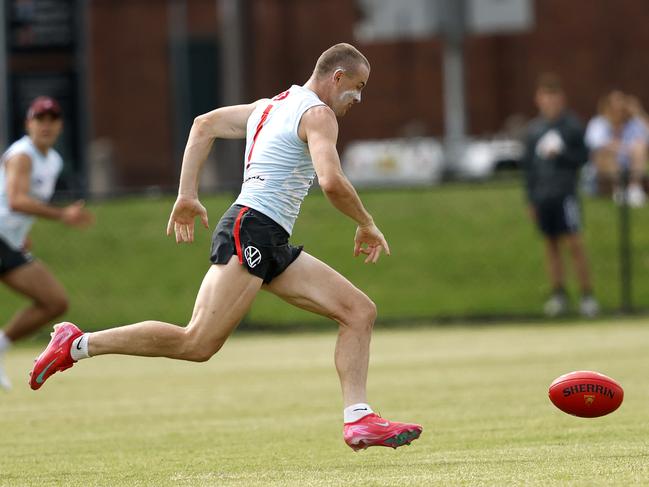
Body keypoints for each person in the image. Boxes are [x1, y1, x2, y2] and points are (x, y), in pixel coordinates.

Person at [29, 43, 422, 451]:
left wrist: (186, 195)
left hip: (268, 237)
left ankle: (359, 420)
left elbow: (204, 124)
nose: (358, 97)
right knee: (196, 342)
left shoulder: (270, 106)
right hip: (251, 229)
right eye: (357, 87)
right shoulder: (318, 114)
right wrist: (366, 223)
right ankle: (76, 344)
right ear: (336, 77)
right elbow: (332, 181)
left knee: (359, 311)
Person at [0, 96, 94, 390]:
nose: (46, 125)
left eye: (52, 119)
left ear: (60, 126)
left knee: (55, 301)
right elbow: (16, 200)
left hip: (8, 243)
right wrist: (62, 214)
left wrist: (21, 234)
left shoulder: (53, 161)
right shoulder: (22, 154)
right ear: (29, 124)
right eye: (40, 119)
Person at [521, 74, 599, 318]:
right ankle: (559, 294)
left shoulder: (572, 126)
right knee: (551, 245)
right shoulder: (534, 131)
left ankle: (587, 295)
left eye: (554, 97)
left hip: (566, 193)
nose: (550, 103)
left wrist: (561, 154)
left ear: (561, 99)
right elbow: (529, 169)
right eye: (546, 97)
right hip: (543, 196)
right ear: (538, 99)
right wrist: (530, 199)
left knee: (574, 244)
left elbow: (584, 158)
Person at [585, 90, 649, 207]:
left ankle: (634, 190)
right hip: (603, 171)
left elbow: (646, 138)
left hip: (629, 167)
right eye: (615, 105)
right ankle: (618, 191)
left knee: (640, 147)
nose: (619, 109)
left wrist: (638, 112)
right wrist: (624, 148)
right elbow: (597, 144)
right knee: (605, 152)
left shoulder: (633, 123)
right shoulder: (598, 123)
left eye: (622, 104)